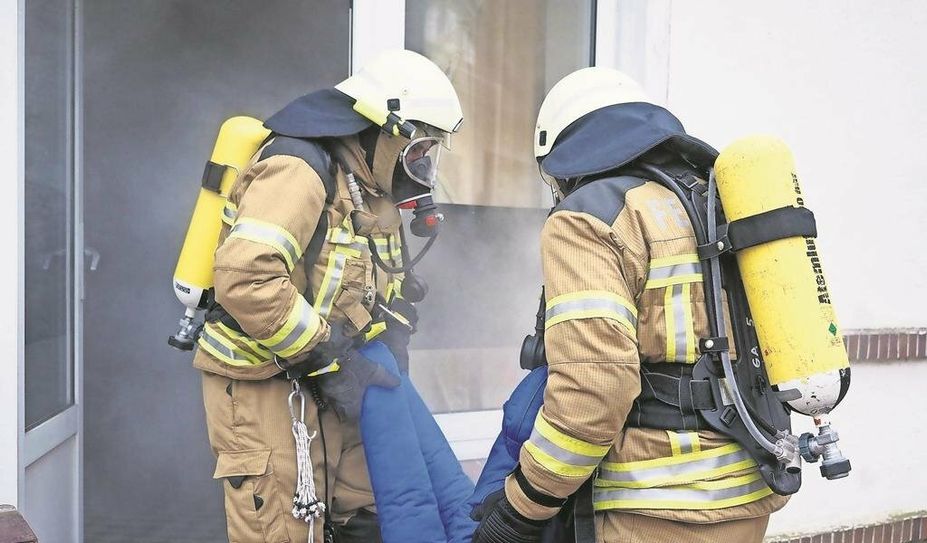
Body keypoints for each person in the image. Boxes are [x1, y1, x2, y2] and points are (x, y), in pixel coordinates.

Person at [471, 67, 788, 543]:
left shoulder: (590, 216)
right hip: (748, 492)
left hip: (653, 508)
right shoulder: (713, 201)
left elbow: (593, 395)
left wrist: (521, 509)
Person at [194, 49, 463, 543]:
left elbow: (374, 280)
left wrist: (393, 328)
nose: (421, 165)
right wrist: (328, 358)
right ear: (384, 130)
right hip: (268, 385)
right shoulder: (298, 168)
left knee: (359, 522)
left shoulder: (367, 186)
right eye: (419, 148)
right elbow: (246, 277)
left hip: (338, 381)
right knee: (288, 527)